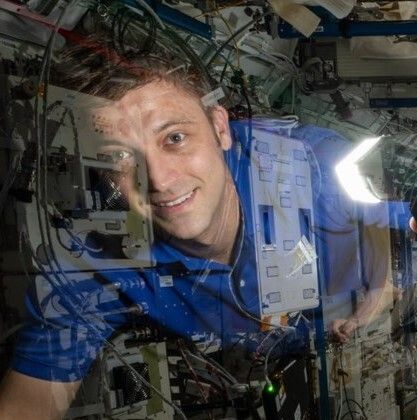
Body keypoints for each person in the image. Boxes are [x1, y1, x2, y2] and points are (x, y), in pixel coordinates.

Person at [0, 37, 299, 418]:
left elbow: (373, 231)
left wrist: (374, 289)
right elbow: (27, 405)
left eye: (175, 138)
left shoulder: (297, 174)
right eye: (120, 157)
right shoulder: (95, 270)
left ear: (220, 128)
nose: (158, 179)